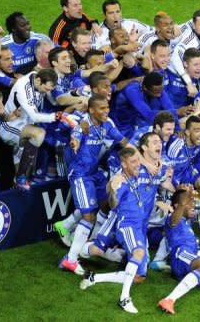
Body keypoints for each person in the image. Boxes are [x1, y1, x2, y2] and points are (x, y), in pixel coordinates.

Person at [78, 147, 167, 314]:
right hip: (127, 224)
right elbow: (112, 204)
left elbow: (153, 180)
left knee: (139, 276)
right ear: (124, 165)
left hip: (140, 225)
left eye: (137, 161)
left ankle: (94, 278)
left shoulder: (140, 172)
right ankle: (124, 298)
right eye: (133, 162)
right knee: (138, 253)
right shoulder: (120, 181)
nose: (137, 164)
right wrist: (112, 191)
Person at [58, 95, 134, 275]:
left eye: (107, 107)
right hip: (80, 175)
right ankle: (70, 259)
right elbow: (75, 135)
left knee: (108, 204)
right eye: (102, 108)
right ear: (91, 110)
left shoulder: (106, 124)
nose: (106, 111)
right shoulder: (83, 126)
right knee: (88, 217)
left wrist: (140, 155)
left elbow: (123, 142)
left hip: (95, 173)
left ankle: (93, 242)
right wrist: (75, 143)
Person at [0, 68, 74, 190]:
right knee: (39, 133)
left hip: (26, 127)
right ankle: (20, 176)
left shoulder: (37, 77)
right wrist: (57, 116)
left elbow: (54, 102)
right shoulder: (24, 89)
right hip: (10, 126)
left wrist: (74, 93)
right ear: (39, 81)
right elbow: (35, 116)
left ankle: (19, 182)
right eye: (46, 89)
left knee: (22, 183)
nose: (47, 92)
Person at [169, 9, 200, 100]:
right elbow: (176, 55)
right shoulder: (192, 40)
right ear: (194, 25)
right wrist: (189, 83)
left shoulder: (194, 24)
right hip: (172, 71)